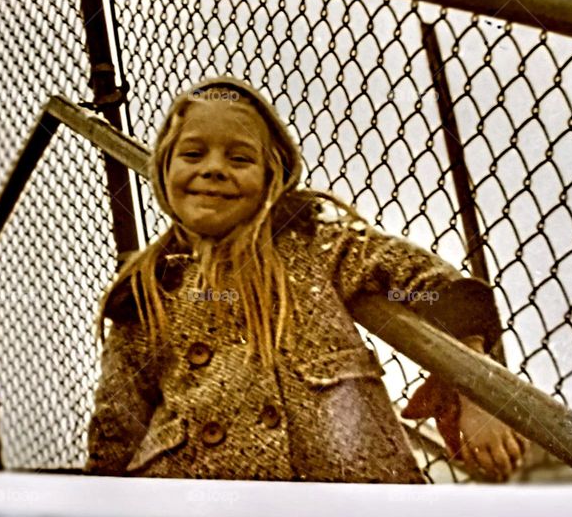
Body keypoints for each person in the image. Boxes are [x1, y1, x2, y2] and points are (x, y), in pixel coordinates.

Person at [84, 75, 527, 483]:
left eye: (239, 158)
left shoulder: (317, 247)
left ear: (270, 176)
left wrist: (475, 392)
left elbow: (436, 285)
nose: (214, 168)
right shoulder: (145, 293)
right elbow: (116, 429)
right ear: (164, 169)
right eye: (193, 154)